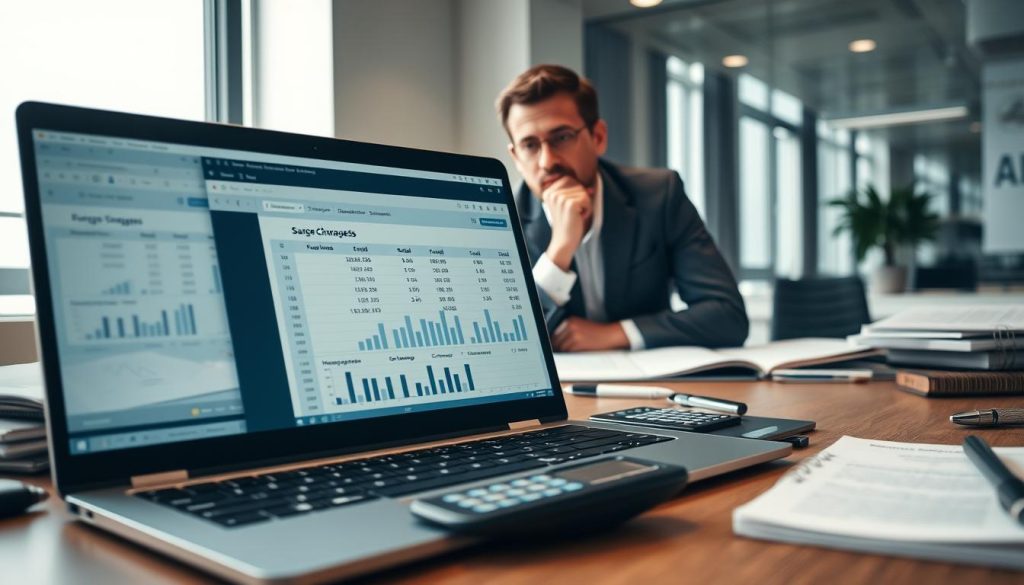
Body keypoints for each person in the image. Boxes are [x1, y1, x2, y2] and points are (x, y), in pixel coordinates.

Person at [496, 64, 748, 352]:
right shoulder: (502, 216)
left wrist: (617, 333)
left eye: (562, 137)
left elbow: (728, 316)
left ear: (598, 137)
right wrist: (560, 251)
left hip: (654, 384)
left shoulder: (659, 195)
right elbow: (505, 342)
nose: (547, 161)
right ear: (516, 157)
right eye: (530, 145)